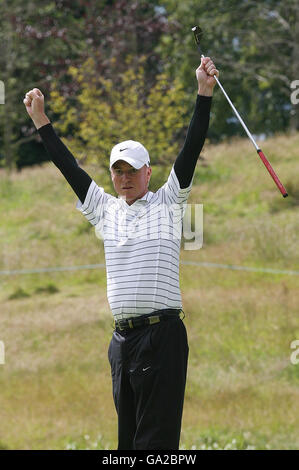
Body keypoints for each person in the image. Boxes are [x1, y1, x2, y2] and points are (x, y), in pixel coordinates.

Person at [23, 56, 219, 450]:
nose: (124, 178)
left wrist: (204, 92)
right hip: (121, 343)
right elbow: (68, 167)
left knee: (155, 445)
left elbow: (192, 146)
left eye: (132, 170)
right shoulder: (103, 208)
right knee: (127, 445)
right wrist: (41, 120)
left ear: (149, 172)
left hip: (162, 336)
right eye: (118, 171)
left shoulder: (169, 201)